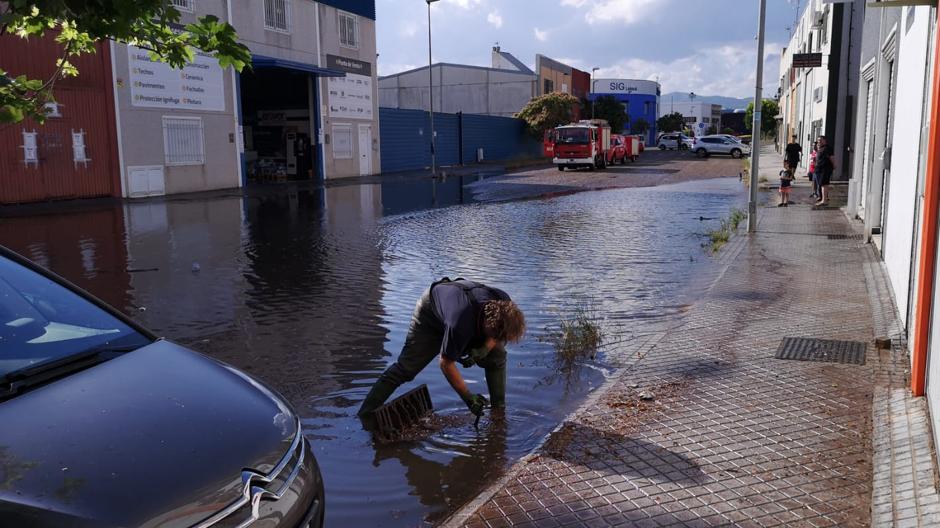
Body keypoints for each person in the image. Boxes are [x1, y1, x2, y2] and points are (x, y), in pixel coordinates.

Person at [357, 278, 526, 426]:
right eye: (497, 336)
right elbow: (446, 363)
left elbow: (497, 334)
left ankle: (498, 412)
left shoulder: (504, 302)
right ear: (490, 325)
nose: (498, 339)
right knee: (406, 369)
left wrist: (485, 348)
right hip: (430, 315)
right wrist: (468, 398)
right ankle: (365, 415)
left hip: (462, 310)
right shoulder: (461, 322)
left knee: (497, 356)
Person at [815, 135, 835, 206]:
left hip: (825, 168)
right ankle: (823, 198)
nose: (819, 141)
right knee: (821, 184)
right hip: (819, 169)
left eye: (820, 140)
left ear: (824, 140)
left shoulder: (828, 148)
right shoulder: (820, 148)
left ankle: (824, 200)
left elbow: (831, 157)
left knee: (824, 184)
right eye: (818, 140)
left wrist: (834, 165)